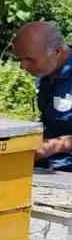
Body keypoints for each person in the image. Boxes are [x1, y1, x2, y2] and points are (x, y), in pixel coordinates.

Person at [12, 20, 72, 171]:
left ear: (57, 52)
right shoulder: (46, 73)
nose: (22, 67)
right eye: (20, 59)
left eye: (30, 59)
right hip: (43, 167)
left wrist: (55, 146)